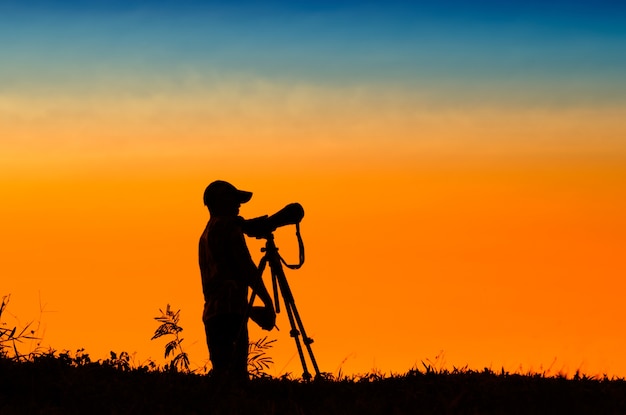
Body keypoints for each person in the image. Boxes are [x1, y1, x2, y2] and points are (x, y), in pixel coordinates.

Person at [198, 180, 276, 381]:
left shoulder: (206, 234)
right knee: (237, 377)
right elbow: (247, 267)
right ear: (219, 202)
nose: (238, 206)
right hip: (231, 313)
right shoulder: (227, 227)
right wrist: (267, 302)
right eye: (233, 200)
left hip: (213, 314)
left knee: (223, 373)